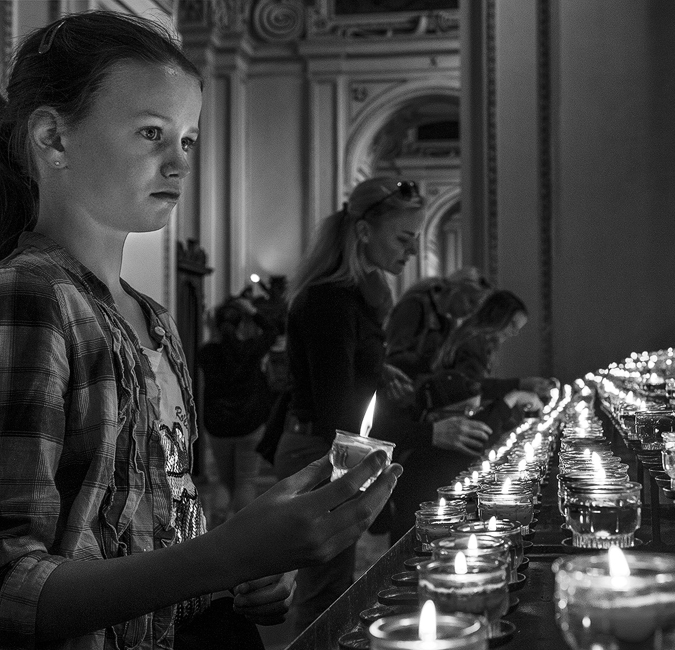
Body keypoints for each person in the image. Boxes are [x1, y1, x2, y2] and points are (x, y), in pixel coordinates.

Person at [0, 12, 401, 650]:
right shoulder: (32, 296)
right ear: (54, 137)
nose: (179, 162)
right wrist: (221, 559)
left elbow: (164, 518)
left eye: (187, 140)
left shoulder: (152, 317)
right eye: (151, 133)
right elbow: (11, 586)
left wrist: (237, 574)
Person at [275, 176, 493, 631]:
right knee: (322, 596)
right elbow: (339, 417)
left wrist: (377, 370)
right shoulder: (329, 302)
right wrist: (433, 432)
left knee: (334, 587)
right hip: (322, 453)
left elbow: (343, 378)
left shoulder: (354, 298)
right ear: (363, 232)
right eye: (404, 238)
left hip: (335, 450)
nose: (412, 250)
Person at [388, 370, 542, 542]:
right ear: (435, 418)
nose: (475, 419)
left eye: (478, 410)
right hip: (418, 547)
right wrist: (512, 398)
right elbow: (481, 436)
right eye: (468, 412)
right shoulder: (426, 460)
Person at [199, 296, 276, 525]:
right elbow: (271, 332)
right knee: (246, 481)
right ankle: (244, 532)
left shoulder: (207, 353)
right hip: (249, 423)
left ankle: (216, 529)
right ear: (242, 324)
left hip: (218, 425)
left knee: (223, 481)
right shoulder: (250, 349)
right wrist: (252, 310)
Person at [433, 289, 555, 402]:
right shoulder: (472, 342)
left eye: (518, 329)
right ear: (497, 315)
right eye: (513, 324)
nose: (514, 333)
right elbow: (470, 388)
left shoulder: (478, 341)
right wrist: (520, 385)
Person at [384, 267, 491, 382]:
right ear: (457, 289)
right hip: (399, 386)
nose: (472, 311)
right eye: (471, 301)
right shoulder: (415, 306)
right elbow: (393, 356)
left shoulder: (447, 322)